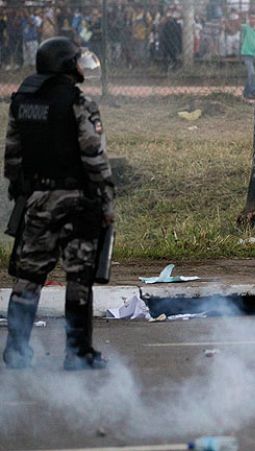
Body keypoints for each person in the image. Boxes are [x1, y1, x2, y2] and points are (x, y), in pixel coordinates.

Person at [3, 37, 115, 370]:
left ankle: (17, 350)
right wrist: (106, 200)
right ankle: (78, 354)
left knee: (28, 275)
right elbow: (94, 156)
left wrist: (23, 193)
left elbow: (13, 155)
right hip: (77, 201)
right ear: (66, 65)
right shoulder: (78, 102)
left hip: (38, 200)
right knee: (79, 276)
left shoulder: (22, 101)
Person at [240, 12, 255, 103]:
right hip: (247, 53)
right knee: (252, 73)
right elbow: (239, 26)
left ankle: (246, 92)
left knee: (251, 74)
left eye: (254, 19)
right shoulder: (247, 27)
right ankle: (252, 91)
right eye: (251, 18)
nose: (252, 20)